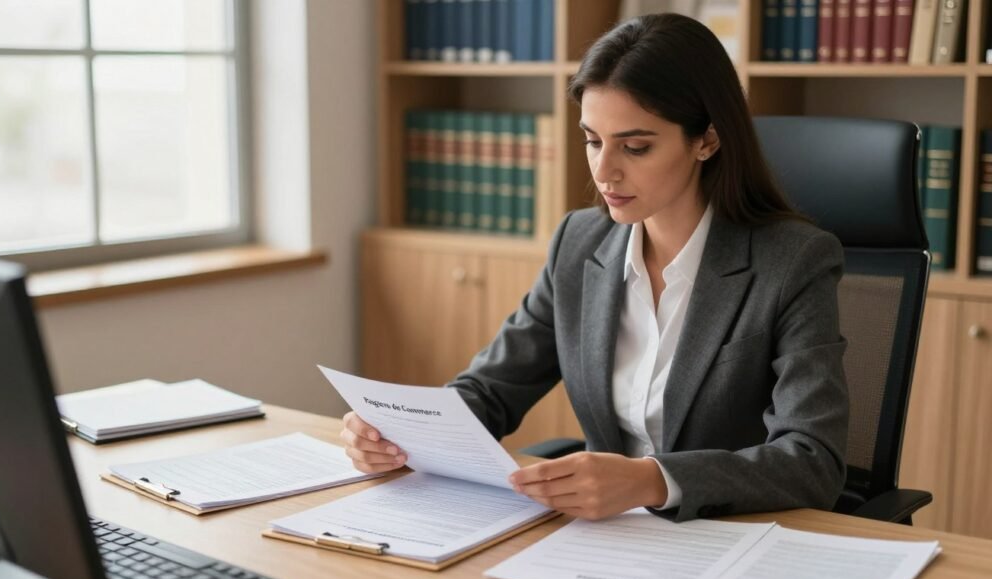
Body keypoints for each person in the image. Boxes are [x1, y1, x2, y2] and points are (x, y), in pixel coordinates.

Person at [341, 13, 849, 523]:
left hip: (728, 535)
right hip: (604, 539)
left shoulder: (793, 262)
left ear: (706, 141)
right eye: (592, 140)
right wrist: (400, 435)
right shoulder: (579, 243)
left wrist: (653, 479)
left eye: (635, 147)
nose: (604, 171)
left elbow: (811, 460)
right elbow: (491, 390)